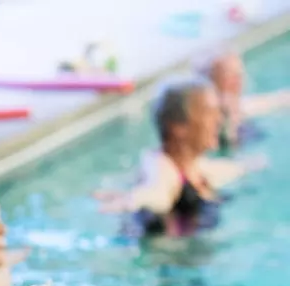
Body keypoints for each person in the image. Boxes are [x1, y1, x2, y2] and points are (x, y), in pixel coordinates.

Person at [96, 76, 263, 238]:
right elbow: (156, 192)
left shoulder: (196, 166)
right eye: (208, 113)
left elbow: (232, 169)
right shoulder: (161, 168)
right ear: (178, 127)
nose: (218, 120)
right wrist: (132, 201)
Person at [195, 49, 290, 152]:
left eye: (239, 73)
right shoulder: (212, 118)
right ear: (212, 80)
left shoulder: (240, 105)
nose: (238, 79)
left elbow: (278, 100)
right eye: (229, 75)